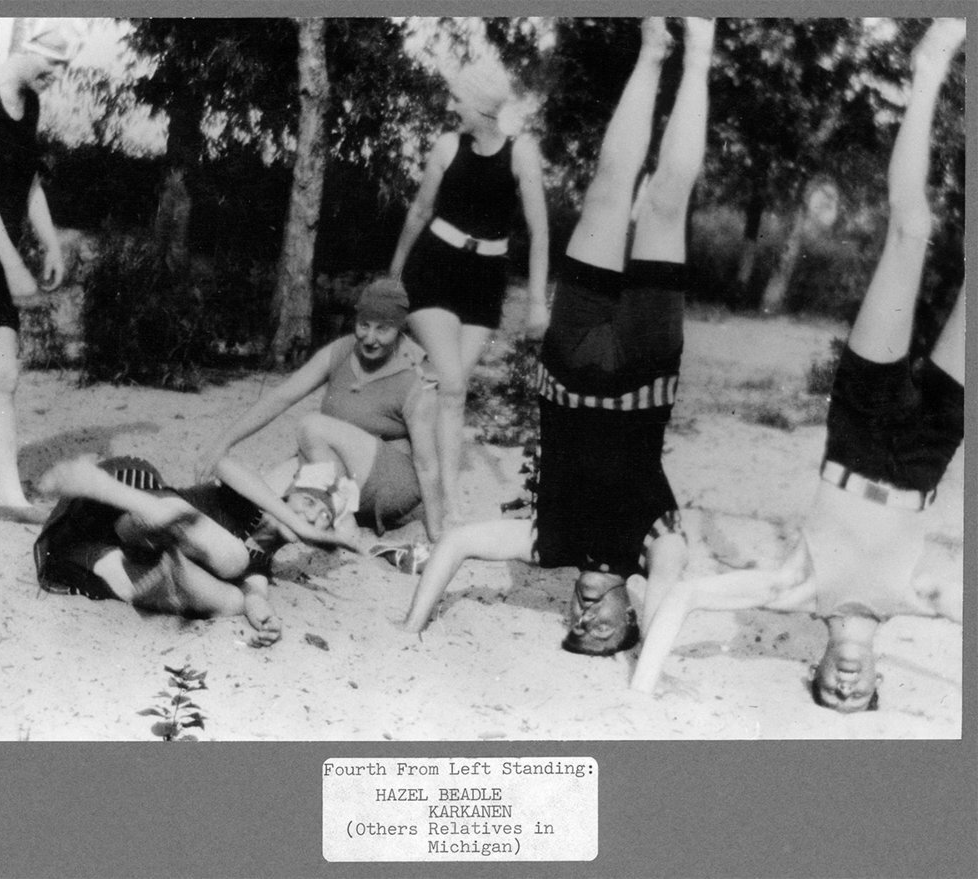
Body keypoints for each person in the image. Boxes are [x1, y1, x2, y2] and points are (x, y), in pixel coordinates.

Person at [629, 18, 967, 712]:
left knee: (910, 234)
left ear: (810, 670)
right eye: (858, 694)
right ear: (878, 682)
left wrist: (638, 690)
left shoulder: (794, 588)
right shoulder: (923, 597)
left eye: (828, 691)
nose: (845, 684)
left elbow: (689, 594)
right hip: (930, 451)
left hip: (860, 431)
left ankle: (928, 68)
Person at [400, 18, 715, 647]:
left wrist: (406, 631)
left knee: (604, 192)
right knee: (662, 205)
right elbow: (669, 600)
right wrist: (644, 670)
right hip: (644, 371)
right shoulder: (655, 547)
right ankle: (700, 48)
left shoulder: (548, 542)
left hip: (567, 365)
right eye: (602, 630)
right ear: (630, 619)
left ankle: (653, 51)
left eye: (575, 629)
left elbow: (459, 542)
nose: (585, 618)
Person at [388, 52, 550, 529]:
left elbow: (540, 233)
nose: (451, 104)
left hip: (485, 280)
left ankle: (441, 492)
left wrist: (538, 301)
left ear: (479, 104)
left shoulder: (521, 153)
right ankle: (442, 500)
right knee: (453, 382)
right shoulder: (445, 147)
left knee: (451, 393)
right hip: (434, 268)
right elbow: (419, 213)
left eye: (457, 97)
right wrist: (394, 275)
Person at [197, 278, 443, 542]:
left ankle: (340, 514)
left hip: (392, 483)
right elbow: (282, 396)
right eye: (363, 325)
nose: (370, 338)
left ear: (400, 328)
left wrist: (436, 531)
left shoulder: (417, 375)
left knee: (313, 425)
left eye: (383, 329)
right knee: (257, 500)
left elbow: (427, 464)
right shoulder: (343, 350)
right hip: (333, 469)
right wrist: (223, 442)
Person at [34, 452, 357, 645]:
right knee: (233, 558)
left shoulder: (262, 561)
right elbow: (224, 463)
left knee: (233, 600)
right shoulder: (245, 501)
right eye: (309, 502)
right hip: (113, 503)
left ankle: (175, 568)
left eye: (324, 518)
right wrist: (297, 523)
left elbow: (254, 596)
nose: (312, 516)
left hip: (103, 551)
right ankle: (155, 521)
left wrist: (263, 616)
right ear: (288, 495)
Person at [0, 22, 77, 523]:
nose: (57, 75)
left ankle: (9, 498)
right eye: (53, 62)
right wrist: (12, 265)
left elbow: (28, 186)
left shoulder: (31, 107)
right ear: (26, 47)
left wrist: (50, 244)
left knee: (3, 376)